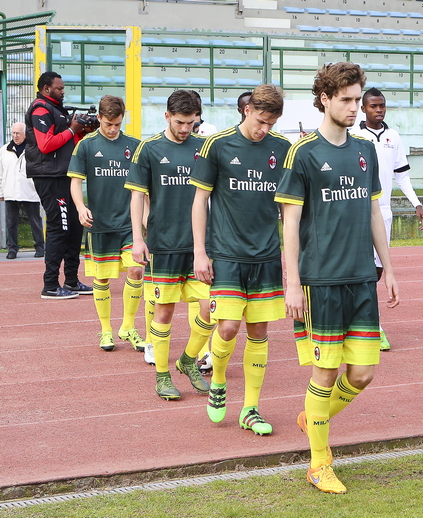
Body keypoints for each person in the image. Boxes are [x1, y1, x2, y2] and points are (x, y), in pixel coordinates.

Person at [276, 62, 399, 494]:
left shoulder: (365, 150)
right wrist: (292, 282)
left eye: (357, 99)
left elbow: (372, 212)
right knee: (325, 372)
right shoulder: (303, 152)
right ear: (324, 99)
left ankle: (314, 418)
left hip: (361, 277)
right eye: (345, 99)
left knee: (363, 373)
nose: (354, 107)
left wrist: (388, 269)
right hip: (320, 280)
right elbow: (290, 223)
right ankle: (318, 462)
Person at [191, 84, 291, 436]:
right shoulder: (217, 145)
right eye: (261, 120)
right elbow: (199, 201)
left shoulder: (283, 149)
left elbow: (288, 209)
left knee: (259, 332)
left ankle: (251, 408)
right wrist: (200, 252)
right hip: (226, 255)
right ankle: (217, 380)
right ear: (247, 110)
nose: (264, 129)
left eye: (271, 123)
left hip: (265, 257)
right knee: (229, 327)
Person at [126, 90, 215, 400]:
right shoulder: (148, 149)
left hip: (199, 246)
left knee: (210, 308)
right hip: (163, 245)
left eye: (192, 122)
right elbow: (137, 196)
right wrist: (138, 239)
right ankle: (162, 376)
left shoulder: (204, 148)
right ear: (167, 116)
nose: (185, 128)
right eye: (180, 122)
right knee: (163, 313)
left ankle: (188, 360)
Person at [67, 95, 146, 353]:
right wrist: (80, 207)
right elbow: (76, 182)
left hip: (127, 224)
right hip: (98, 224)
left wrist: (145, 220)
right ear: (99, 117)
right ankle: (105, 330)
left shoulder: (134, 146)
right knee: (101, 279)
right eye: (109, 123)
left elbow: (143, 189)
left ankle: (128, 326)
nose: (113, 129)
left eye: (118, 124)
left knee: (136, 270)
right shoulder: (86, 145)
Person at [351, 87, 423, 351]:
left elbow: (402, 175)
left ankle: (370, 321)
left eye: (382, 105)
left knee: (377, 268)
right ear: (363, 108)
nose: (379, 109)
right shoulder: (353, 134)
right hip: (355, 209)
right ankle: (367, 323)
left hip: (382, 210)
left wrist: (416, 203)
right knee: (355, 267)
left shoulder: (393, 136)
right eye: (373, 105)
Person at [25, 71, 90, 299]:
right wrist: (72, 129)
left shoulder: (56, 109)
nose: (63, 91)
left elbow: (67, 144)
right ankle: (50, 285)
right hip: (49, 177)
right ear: (46, 89)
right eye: (59, 88)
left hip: (65, 175)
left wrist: (81, 132)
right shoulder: (40, 109)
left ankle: (71, 281)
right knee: (59, 227)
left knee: (74, 226)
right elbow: (46, 145)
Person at [1, 122, 44, 260]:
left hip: (30, 191)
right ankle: (12, 249)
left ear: (25, 134)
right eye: (13, 133)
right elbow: (1, 173)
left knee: (35, 220)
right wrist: (1, 192)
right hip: (10, 191)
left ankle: (40, 247)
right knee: (11, 222)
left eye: (18, 133)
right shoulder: (4, 150)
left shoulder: (33, 149)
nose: (15, 136)